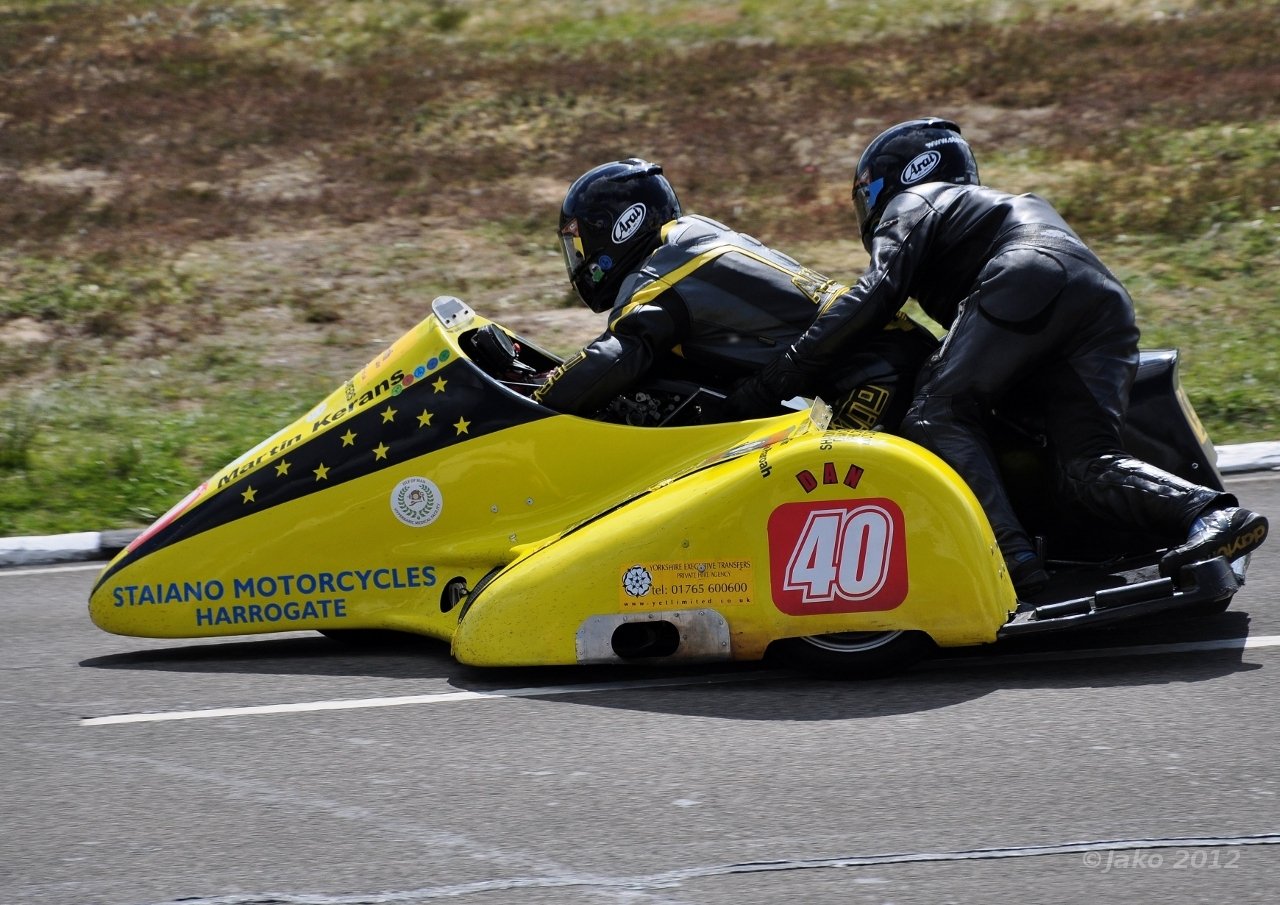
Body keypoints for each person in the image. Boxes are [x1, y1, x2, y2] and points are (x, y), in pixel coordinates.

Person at [727, 118, 1268, 596]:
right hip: (1101, 299)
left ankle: (1007, 561)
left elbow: (874, 295)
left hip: (1026, 273)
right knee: (1085, 466)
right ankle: (1211, 515)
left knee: (935, 413)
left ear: (888, 183)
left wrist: (773, 380)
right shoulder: (981, 207)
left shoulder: (915, 201)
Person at [532, 158, 937, 431]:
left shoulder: (661, 270)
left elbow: (615, 356)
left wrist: (534, 404)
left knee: (805, 497)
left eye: (579, 245)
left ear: (618, 229)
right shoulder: (691, 239)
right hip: (888, 353)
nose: (579, 260)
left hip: (874, 375)